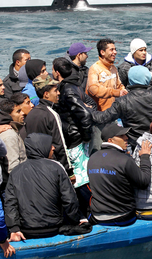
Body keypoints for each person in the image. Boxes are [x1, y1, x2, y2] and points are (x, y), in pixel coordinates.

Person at [4, 133, 91, 239]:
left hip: (26, 230)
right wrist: (77, 220)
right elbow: (69, 200)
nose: (53, 148)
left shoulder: (16, 171)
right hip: (53, 228)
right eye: (50, 145)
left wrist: (14, 228)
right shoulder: (56, 168)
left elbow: (10, 203)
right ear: (41, 147)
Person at [53, 57, 96, 215]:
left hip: (75, 139)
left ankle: (88, 209)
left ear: (57, 72)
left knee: (81, 176)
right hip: (76, 136)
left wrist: (85, 135)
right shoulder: (74, 85)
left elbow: (84, 114)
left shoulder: (68, 89)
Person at [88, 123, 152, 226]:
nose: (126, 138)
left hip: (97, 216)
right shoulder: (125, 160)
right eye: (121, 136)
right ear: (110, 140)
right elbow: (144, 183)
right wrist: (144, 157)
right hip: (123, 216)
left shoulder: (92, 158)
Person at [22, 76, 72, 176]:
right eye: (55, 90)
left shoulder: (31, 114)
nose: (58, 93)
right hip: (52, 166)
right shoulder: (51, 114)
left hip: (35, 168)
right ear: (46, 94)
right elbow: (60, 144)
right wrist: (69, 171)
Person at [87, 38, 127, 112]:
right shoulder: (94, 68)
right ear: (102, 52)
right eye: (111, 50)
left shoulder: (113, 68)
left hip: (112, 111)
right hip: (98, 113)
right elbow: (93, 89)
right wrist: (115, 92)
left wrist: (123, 90)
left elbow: (119, 86)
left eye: (115, 49)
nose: (115, 52)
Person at [0, 100, 27, 173]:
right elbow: (13, 167)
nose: (22, 113)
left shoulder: (13, 131)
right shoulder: (9, 135)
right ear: (8, 115)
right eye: (18, 111)